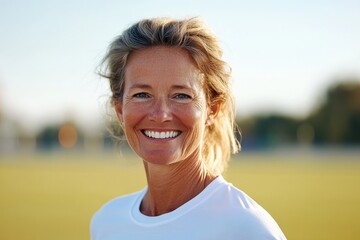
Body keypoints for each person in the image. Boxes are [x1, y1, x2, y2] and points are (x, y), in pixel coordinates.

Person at [91, 17, 286, 240]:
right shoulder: (107, 223)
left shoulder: (247, 228)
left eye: (181, 96)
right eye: (142, 95)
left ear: (212, 110)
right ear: (119, 110)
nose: (160, 114)